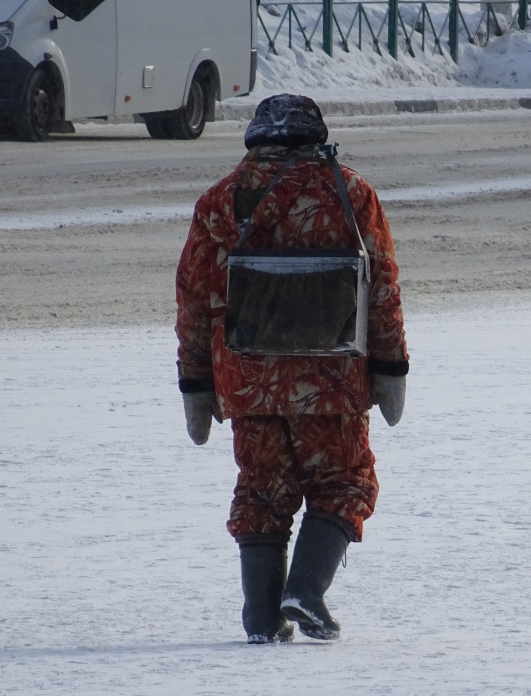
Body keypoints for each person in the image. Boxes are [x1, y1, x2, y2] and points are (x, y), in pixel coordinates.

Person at [174, 94, 408, 644]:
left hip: (247, 380)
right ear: (314, 136)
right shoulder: (351, 193)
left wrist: (196, 384)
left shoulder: (219, 201)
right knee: (343, 481)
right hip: (329, 379)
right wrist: (391, 368)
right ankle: (305, 590)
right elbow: (383, 288)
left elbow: (193, 296)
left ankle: (261, 617)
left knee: (261, 488)